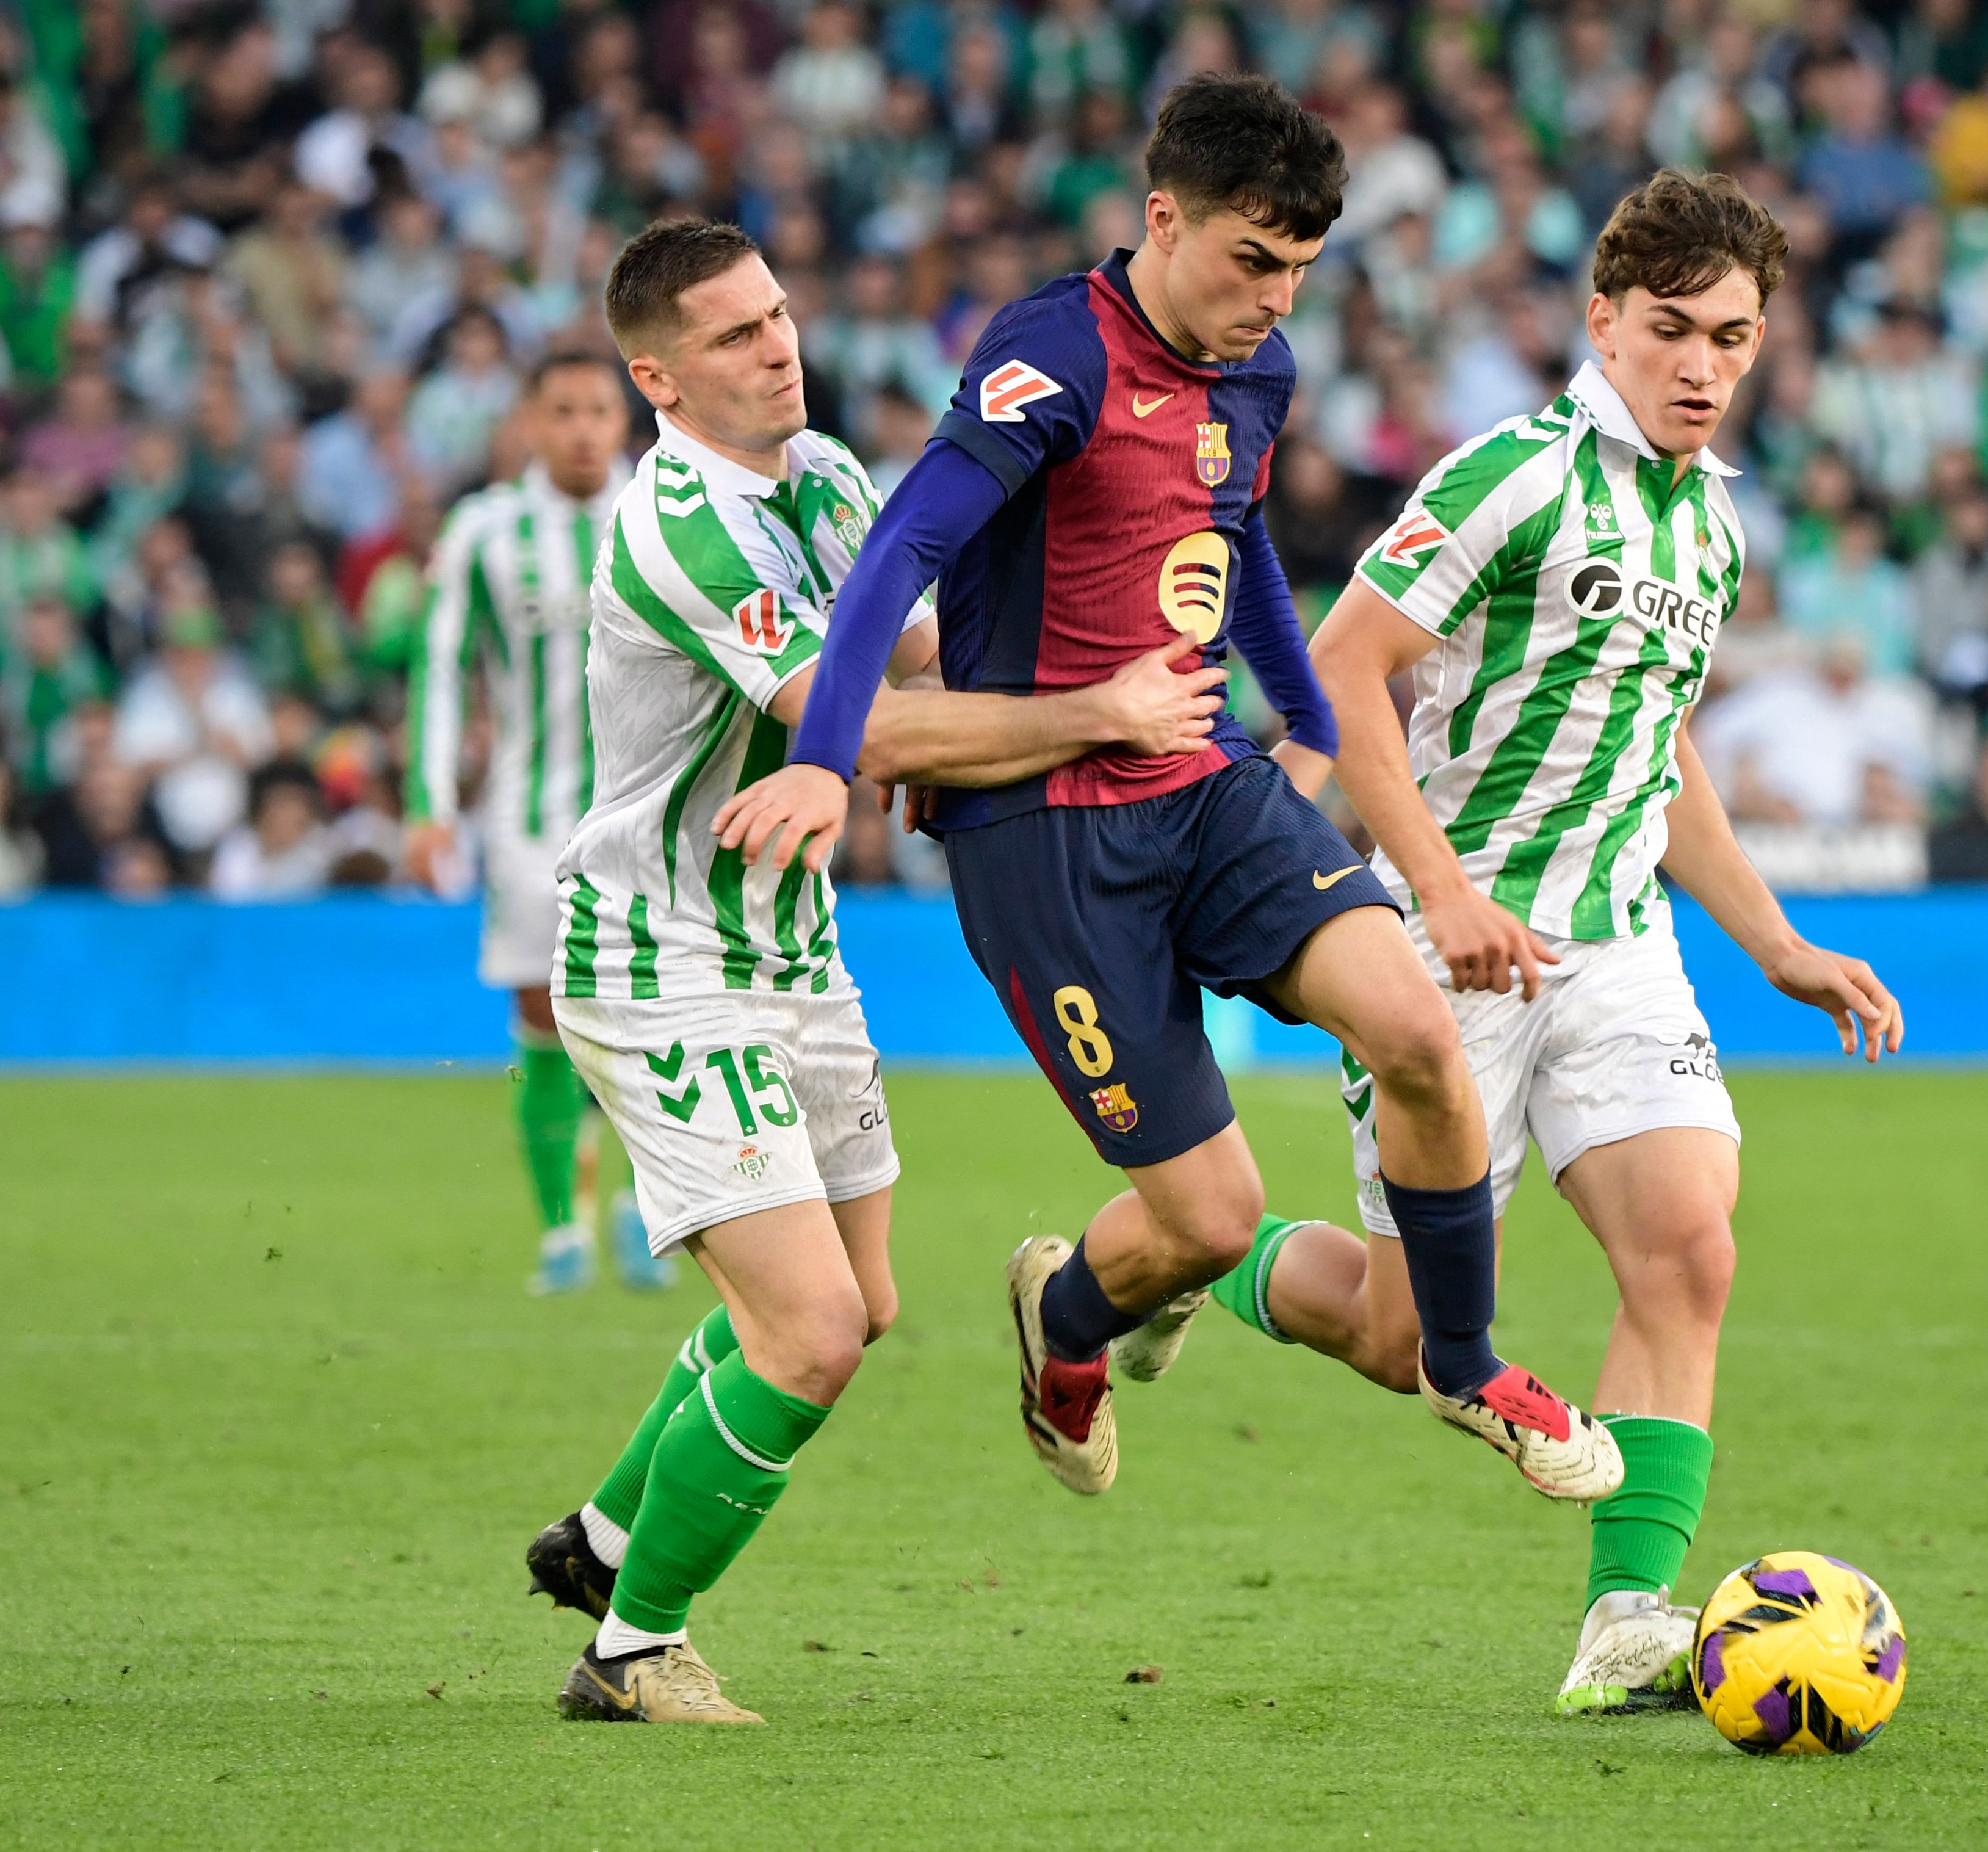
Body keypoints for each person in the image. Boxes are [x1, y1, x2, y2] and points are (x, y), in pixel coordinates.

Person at [711, 76, 1623, 1511]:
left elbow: (1236, 540)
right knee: (1209, 1219)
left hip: (1201, 782)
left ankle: (1462, 1362)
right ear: (1162, 219)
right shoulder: (1050, 356)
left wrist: (1308, 723)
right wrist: (828, 760)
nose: (1273, 299)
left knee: (1425, 1033)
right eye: (1250, 259)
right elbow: (896, 553)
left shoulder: (1256, 376)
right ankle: (1064, 1317)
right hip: (1040, 837)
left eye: (1299, 271)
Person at [1213, 171, 1904, 1716]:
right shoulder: (1513, 477)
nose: (1701, 366)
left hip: (1615, 947)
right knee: (1401, 1340)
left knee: (1688, 1248)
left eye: (1732, 337)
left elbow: (1659, 755)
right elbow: (1341, 672)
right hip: (1441, 952)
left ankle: (1625, 1617)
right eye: (1669, 331)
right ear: (1603, 321)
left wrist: (1776, 942)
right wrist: (1440, 887)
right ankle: (1205, 1262)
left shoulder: (1713, 521)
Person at [530, 219, 1229, 1726]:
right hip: (663, 958)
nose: (777, 344)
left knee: (862, 1297)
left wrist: (1039, 693)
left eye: (777, 315)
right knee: (808, 1330)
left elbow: (913, 668)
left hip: (794, 948)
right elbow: (859, 726)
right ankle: (633, 1648)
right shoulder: (683, 528)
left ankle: (598, 1539)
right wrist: (1102, 709)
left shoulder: (832, 478)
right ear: (656, 375)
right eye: (731, 335)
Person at [404, 353, 646, 1295]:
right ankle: (561, 1227)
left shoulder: (666, 511)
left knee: (652, 1008)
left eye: (599, 409)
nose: (584, 427)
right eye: (564, 410)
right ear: (530, 422)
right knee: (544, 1013)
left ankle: (640, 1203)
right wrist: (426, 803)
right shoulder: (484, 531)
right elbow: (438, 665)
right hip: (531, 816)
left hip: (653, 813)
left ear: (625, 419)